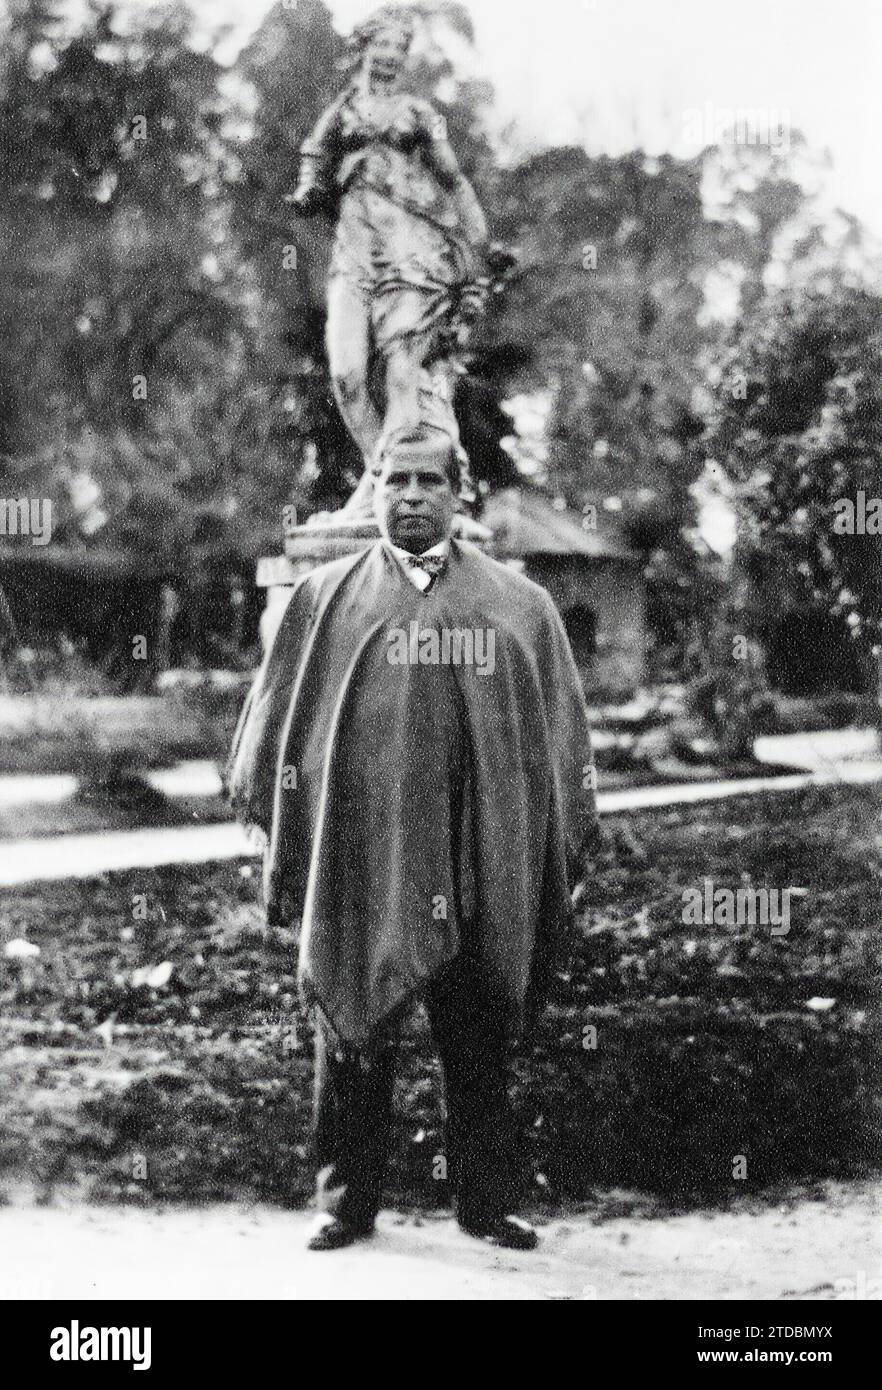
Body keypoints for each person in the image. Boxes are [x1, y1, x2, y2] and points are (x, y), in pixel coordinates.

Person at [227, 425, 600, 1251]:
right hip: (363, 859)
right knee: (352, 1025)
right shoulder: (323, 600)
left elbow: (560, 742)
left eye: (431, 481)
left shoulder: (519, 607)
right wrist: (289, 826)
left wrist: (544, 839)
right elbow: (277, 726)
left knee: (479, 1033)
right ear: (375, 489)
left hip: (478, 858)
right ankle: (346, 1201)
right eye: (395, 480)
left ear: (459, 493)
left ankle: (485, 1200)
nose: (412, 496)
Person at [291, 6, 497, 517]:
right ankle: (381, 474)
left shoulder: (419, 115)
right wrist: (309, 191)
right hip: (355, 257)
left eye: (400, 50)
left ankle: (381, 495)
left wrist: (479, 241)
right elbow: (313, 166)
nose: (390, 57)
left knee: (403, 373)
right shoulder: (340, 113)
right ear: (364, 48)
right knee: (346, 375)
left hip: (411, 257)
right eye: (382, 45)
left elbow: (453, 181)